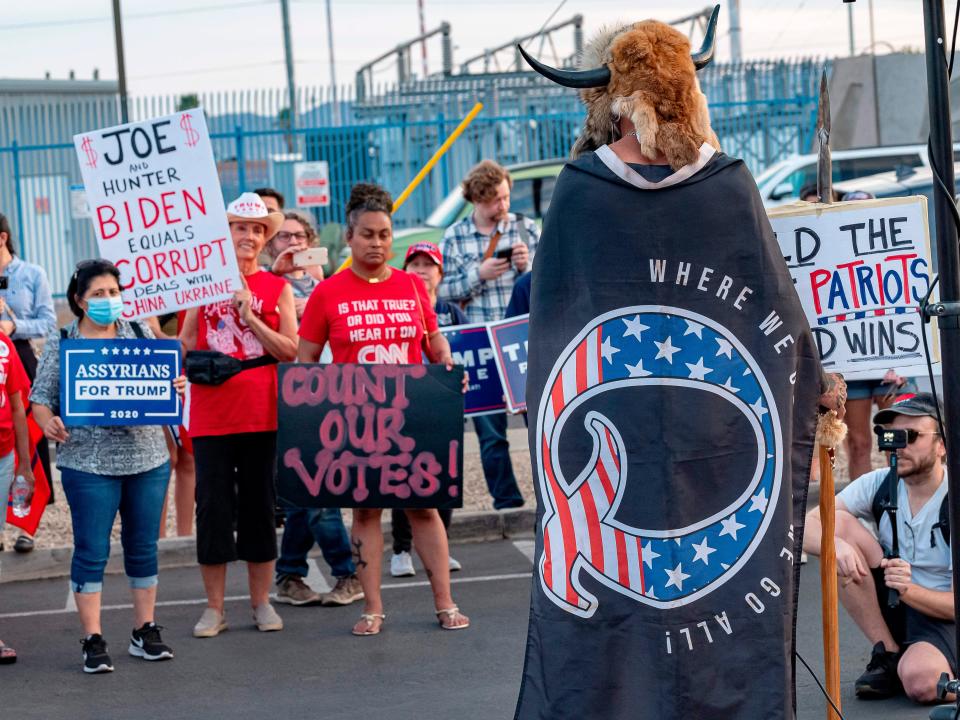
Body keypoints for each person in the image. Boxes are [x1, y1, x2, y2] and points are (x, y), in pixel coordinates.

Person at [299, 183, 470, 635]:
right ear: (350, 238)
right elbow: (305, 363)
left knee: (424, 511)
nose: (377, 243)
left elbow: (433, 341)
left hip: (413, 418)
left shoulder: (414, 287)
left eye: (385, 235)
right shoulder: (327, 293)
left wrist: (445, 360)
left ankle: (445, 603)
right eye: (368, 235)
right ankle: (371, 608)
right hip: (358, 422)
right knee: (367, 514)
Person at [31, 259, 184, 673]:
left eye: (114, 292)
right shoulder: (63, 341)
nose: (109, 300)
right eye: (98, 294)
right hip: (86, 462)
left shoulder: (140, 332)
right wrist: (50, 423)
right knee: (92, 550)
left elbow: (168, 381)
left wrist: (176, 385)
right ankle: (93, 638)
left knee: (142, 547)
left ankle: (144, 630)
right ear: (79, 301)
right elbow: (40, 399)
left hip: (147, 459)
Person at [180, 193, 297, 638]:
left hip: (262, 413)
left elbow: (291, 350)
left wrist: (251, 317)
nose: (248, 236)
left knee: (259, 508)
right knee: (212, 508)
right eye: (240, 228)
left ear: (265, 238)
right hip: (212, 413)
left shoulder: (277, 288)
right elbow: (187, 344)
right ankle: (214, 608)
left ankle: (261, 602)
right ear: (225, 234)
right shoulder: (200, 285)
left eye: (256, 230)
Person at [804, 393, 955, 703]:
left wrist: (909, 589)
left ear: (942, 445)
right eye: (891, 436)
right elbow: (804, 525)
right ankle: (888, 653)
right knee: (837, 524)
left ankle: (924, 665)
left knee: (921, 684)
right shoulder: (879, 483)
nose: (899, 445)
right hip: (896, 601)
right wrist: (834, 544)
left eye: (911, 436)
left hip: (943, 616)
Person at [438, 160, 538, 510]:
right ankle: (507, 502)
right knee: (491, 433)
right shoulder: (454, 236)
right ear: (477, 199)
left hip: (521, 340)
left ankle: (548, 497)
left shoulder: (525, 227)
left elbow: (549, 280)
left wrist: (528, 267)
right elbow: (441, 290)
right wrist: (478, 274)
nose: (504, 206)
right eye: (496, 199)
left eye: (507, 197)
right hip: (479, 340)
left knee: (539, 425)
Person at [389, 242, 466, 577]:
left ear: (440, 273)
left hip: (440, 405)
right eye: (414, 264)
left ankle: (440, 547)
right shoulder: (397, 305)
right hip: (402, 403)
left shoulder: (450, 312)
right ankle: (401, 549)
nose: (421, 270)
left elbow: (468, 349)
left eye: (428, 264)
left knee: (441, 475)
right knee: (400, 479)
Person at [0, 211, 57, 554]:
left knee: (30, 445)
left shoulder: (32, 274)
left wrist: (13, 328)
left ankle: (27, 527)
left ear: (2, 238)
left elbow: (48, 322)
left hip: (20, 356)